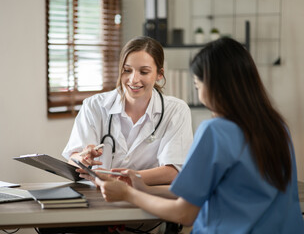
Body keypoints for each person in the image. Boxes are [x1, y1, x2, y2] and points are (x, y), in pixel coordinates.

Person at [95, 37, 304, 233]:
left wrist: (128, 194)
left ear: (214, 85)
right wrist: (143, 187)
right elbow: (204, 192)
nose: (199, 93)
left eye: (197, 85)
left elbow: (185, 213)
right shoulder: (277, 127)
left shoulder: (215, 131)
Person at [63, 36, 193, 185]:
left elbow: (173, 171)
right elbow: (73, 161)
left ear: (159, 74)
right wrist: (82, 159)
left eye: (144, 72)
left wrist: (118, 179)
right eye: (127, 70)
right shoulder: (94, 106)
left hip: (150, 198)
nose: (133, 79)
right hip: (100, 197)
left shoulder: (176, 111)